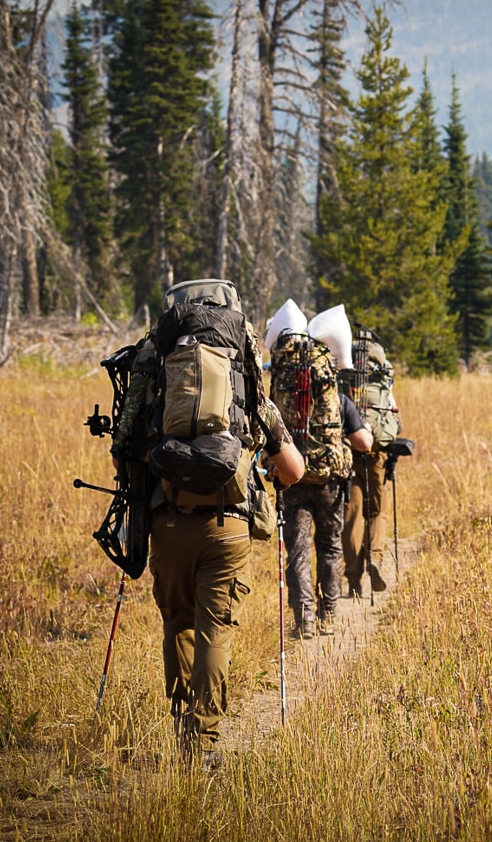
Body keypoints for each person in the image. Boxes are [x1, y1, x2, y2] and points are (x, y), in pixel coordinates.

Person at [110, 279, 304, 768]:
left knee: (177, 621)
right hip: (227, 524)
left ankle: (181, 727)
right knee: (215, 627)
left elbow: (125, 443)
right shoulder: (243, 381)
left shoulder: (155, 369)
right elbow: (294, 471)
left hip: (167, 522)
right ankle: (204, 740)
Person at [282, 392, 372, 638]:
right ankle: (328, 617)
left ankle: (304, 621)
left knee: (298, 552)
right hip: (330, 485)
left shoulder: (283, 397)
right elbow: (363, 443)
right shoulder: (338, 400)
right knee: (330, 548)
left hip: (293, 482)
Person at [343, 444, 388, 598]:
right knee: (377, 513)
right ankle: (374, 558)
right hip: (375, 458)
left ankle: (354, 581)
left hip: (349, 458)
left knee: (351, 517)